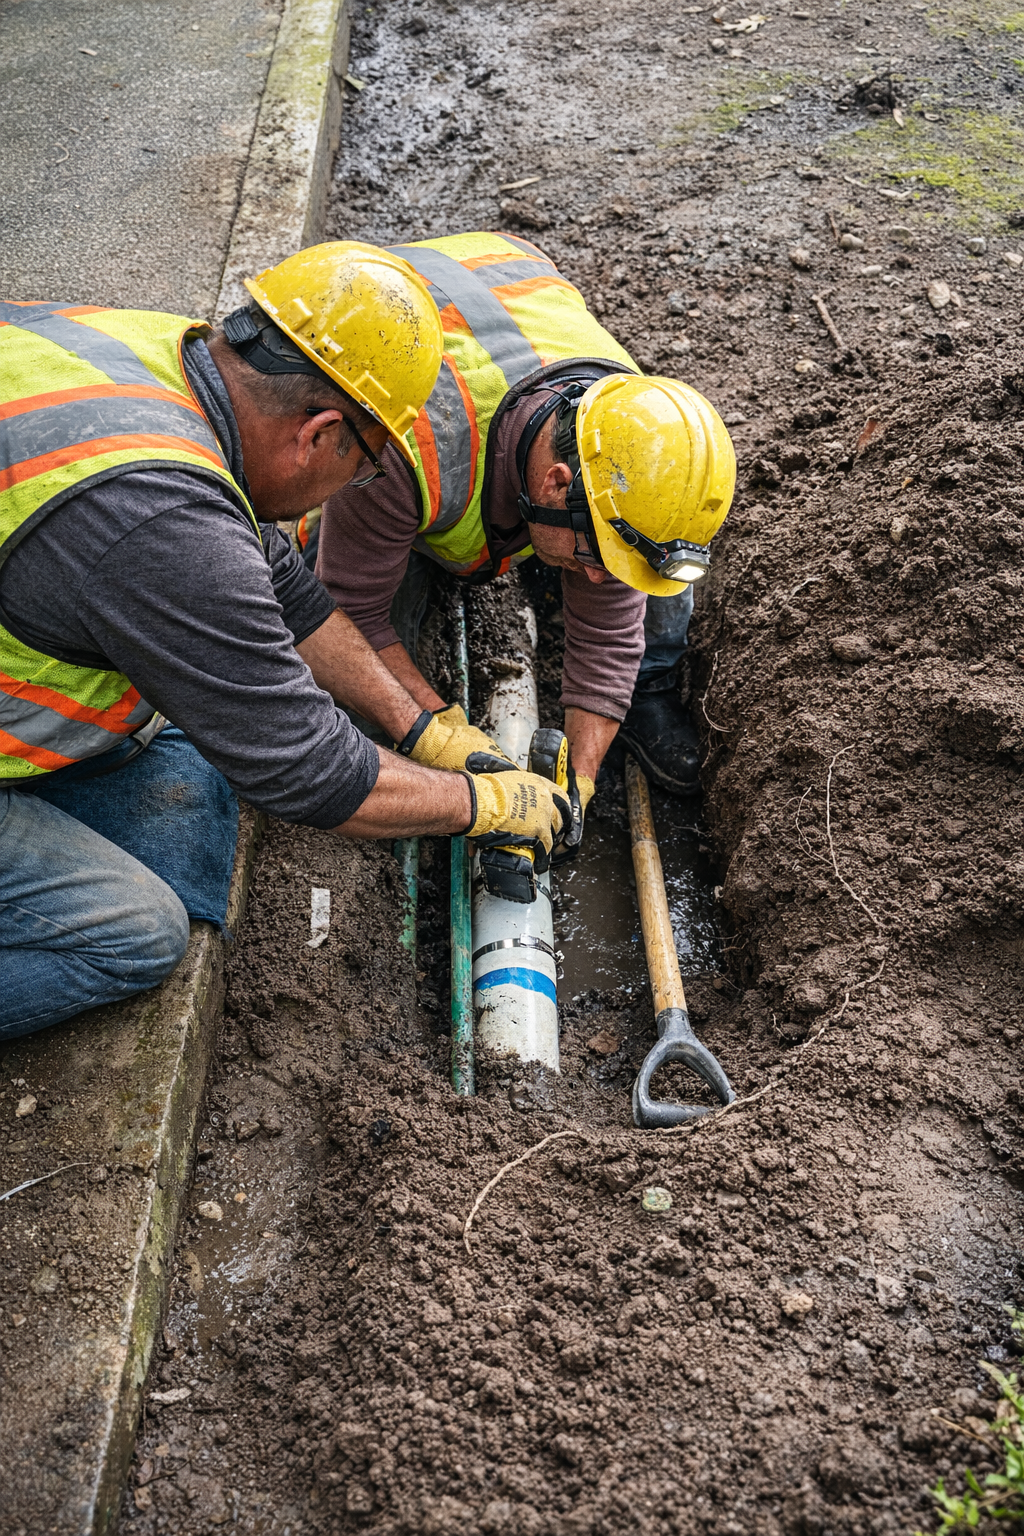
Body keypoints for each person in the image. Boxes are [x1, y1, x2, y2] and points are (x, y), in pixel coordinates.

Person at [0, 242, 570, 1039]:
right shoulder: (166, 525)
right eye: (366, 467)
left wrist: (424, 731)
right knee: (132, 934)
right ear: (321, 433)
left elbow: (288, 592)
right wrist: (485, 802)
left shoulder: (160, 364)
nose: (358, 487)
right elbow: (309, 772)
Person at [312, 230, 736, 805]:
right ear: (557, 485)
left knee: (651, 580)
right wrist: (439, 735)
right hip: (381, 317)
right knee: (360, 691)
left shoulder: (632, 435)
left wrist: (577, 784)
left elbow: (608, 629)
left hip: (501, 291)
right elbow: (350, 612)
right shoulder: (403, 444)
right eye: (593, 558)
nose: (597, 578)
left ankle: (651, 685)